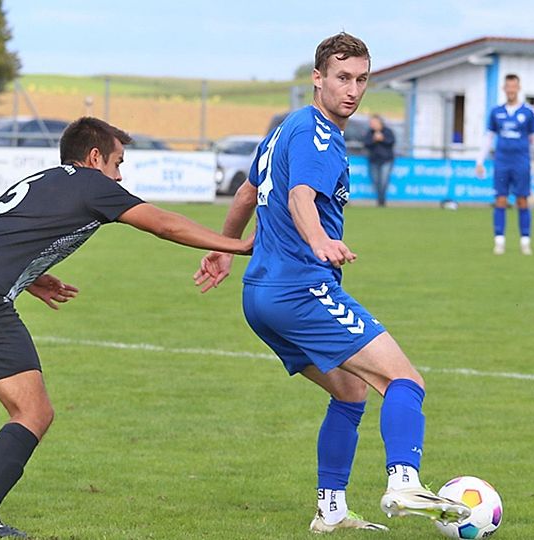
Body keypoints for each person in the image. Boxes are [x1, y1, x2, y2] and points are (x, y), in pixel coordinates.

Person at [0, 117, 252, 538]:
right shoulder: (92, 183)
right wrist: (237, 245)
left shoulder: (45, 179)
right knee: (34, 411)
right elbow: (163, 223)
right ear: (94, 157)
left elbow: (0, 236)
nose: (120, 175)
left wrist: (30, 276)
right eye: (118, 162)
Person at [193, 32, 470, 535]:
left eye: (362, 79)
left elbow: (247, 192)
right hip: (302, 290)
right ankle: (404, 481)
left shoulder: (286, 128)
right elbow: (301, 195)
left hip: (261, 297)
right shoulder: (317, 132)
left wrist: (225, 246)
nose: (353, 89)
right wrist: (319, 238)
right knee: (404, 381)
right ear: (317, 79)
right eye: (343, 77)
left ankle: (331, 509)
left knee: (349, 393)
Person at [475, 74, 534, 255]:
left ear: (518, 88)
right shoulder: (496, 112)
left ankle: (525, 241)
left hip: (521, 161)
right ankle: (499, 240)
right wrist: (480, 161)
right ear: (504, 89)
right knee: (500, 199)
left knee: (522, 200)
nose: (511, 90)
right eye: (508, 87)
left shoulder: (528, 113)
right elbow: (489, 137)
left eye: (514, 87)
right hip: (502, 161)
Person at [362, 115, 395, 207]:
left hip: (386, 160)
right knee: (376, 181)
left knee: (383, 181)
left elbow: (391, 142)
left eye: (374, 122)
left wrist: (382, 139)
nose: (372, 125)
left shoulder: (388, 132)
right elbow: (366, 143)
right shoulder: (370, 133)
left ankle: (381, 201)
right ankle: (380, 199)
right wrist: (374, 139)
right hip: (374, 160)